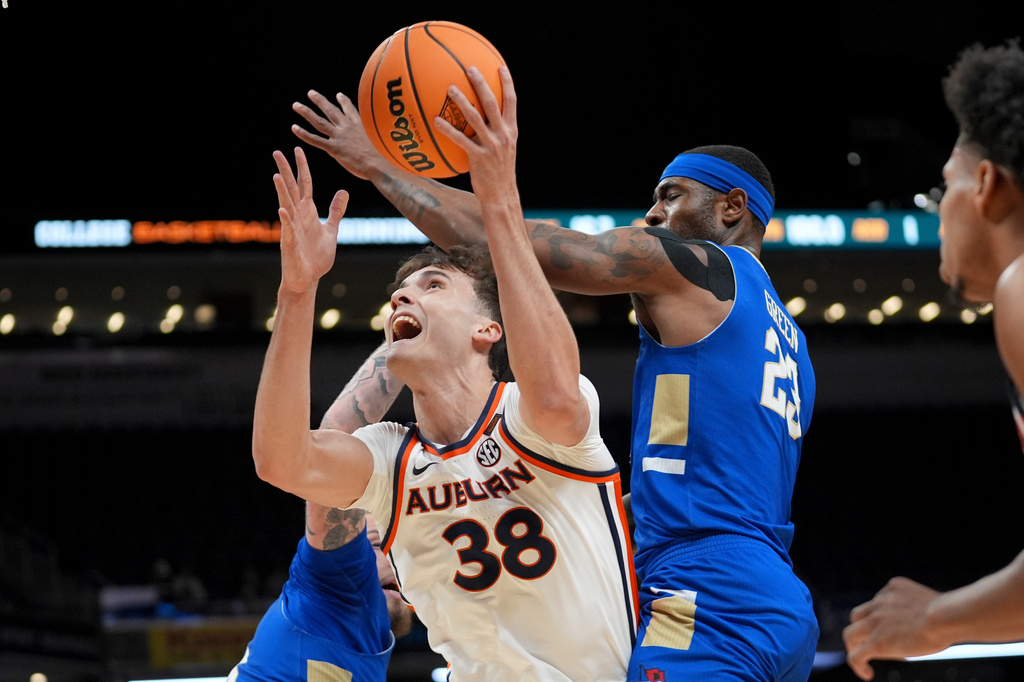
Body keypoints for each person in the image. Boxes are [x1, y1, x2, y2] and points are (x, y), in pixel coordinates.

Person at [289, 66, 818, 681]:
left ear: (732, 207)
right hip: (774, 587)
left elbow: (507, 243)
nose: (651, 215)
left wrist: (380, 166)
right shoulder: (789, 337)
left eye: (671, 196)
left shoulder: (695, 266)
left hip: (705, 583)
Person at [251, 115, 638, 680]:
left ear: (488, 330)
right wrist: (297, 289)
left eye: (433, 285)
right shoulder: (388, 461)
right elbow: (281, 460)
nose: (405, 297)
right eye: (399, 295)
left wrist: (500, 198)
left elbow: (553, 397)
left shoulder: (528, 413)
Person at [841, 39, 1024, 681]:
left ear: (987, 185)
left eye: (941, 187)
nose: (939, 215)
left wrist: (936, 618)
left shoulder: (1022, 286)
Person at [231, 342, 413, 682]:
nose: (396, 561)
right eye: (375, 545)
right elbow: (338, 442)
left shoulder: (370, 635)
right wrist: (405, 340)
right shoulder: (337, 584)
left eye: (402, 549)